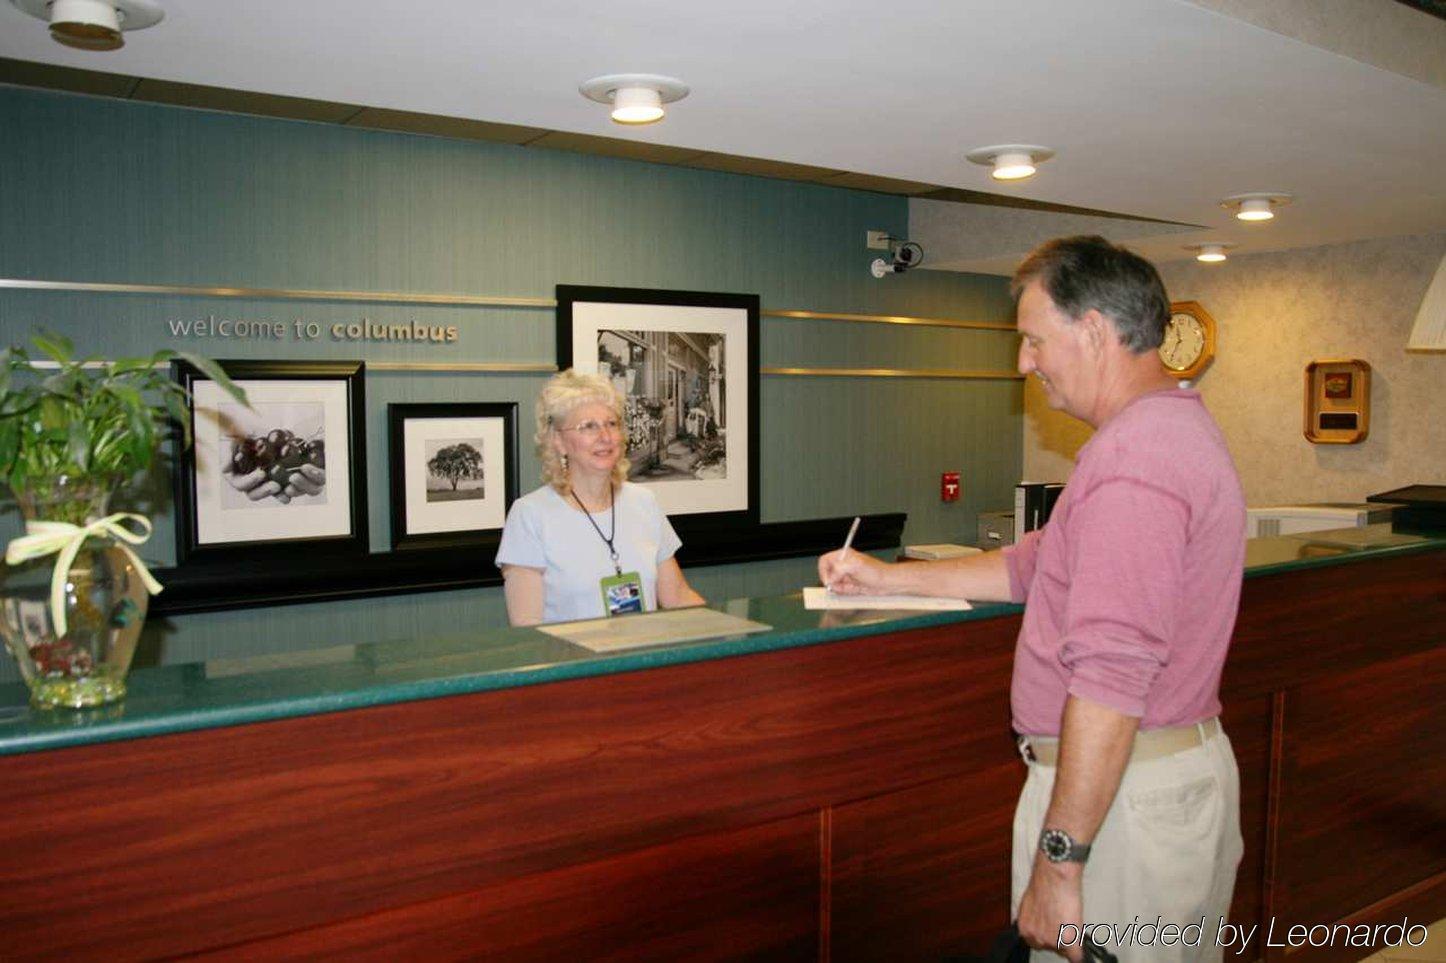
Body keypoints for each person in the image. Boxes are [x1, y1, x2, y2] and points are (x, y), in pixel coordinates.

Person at [820, 236, 1246, 963]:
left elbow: (1111, 676)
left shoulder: (1132, 464)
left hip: (1120, 813)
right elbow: (1037, 565)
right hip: (1153, 787)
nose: (1024, 362)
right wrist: (889, 577)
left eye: (1032, 339)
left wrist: (1059, 864)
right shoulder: (1169, 430)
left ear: (1092, 331)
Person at [496, 369, 705, 626]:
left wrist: (729, 633)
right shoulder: (530, 515)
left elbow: (677, 597)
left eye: (611, 423)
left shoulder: (643, 503)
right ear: (557, 441)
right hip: (576, 664)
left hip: (642, 662)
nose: (605, 437)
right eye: (588, 426)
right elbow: (527, 626)